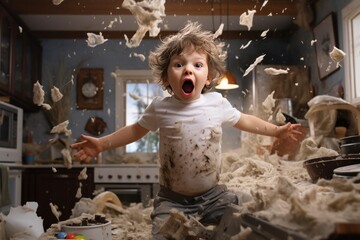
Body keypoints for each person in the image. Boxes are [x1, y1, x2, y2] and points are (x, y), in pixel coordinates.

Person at [70, 21, 302, 239]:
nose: (188, 70)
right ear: (166, 77)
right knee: (162, 234)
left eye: (197, 65)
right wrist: (101, 143)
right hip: (171, 201)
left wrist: (276, 131)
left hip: (215, 197)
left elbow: (245, 120)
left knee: (250, 218)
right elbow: (134, 131)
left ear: (208, 76)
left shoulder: (217, 103)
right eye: (179, 64)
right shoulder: (160, 107)